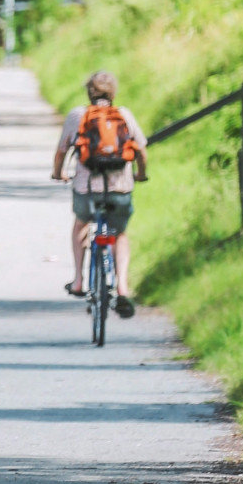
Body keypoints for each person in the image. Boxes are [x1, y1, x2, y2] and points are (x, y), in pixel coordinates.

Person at [51, 71, 148, 318]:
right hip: (120, 189)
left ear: (89, 92)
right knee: (120, 234)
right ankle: (123, 288)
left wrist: (58, 173)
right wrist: (141, 174)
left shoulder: (78, 115)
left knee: (81, 224)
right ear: (113, 92)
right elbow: (140, 149)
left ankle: (79, 280)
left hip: (86, 189)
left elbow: (62, 150)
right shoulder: (123, 115)